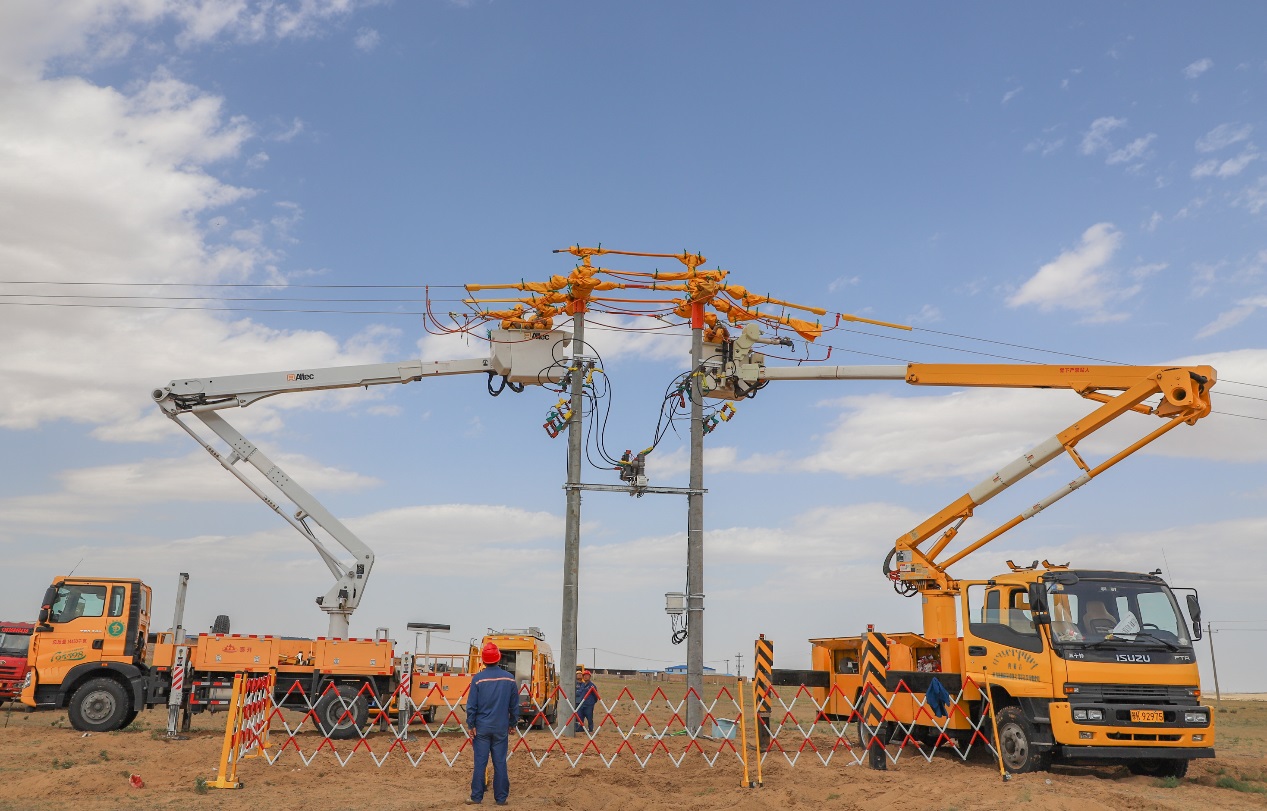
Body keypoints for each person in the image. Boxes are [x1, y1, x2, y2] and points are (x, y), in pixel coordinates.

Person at [465, 642, 519, 806]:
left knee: (480, 763)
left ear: (483, 660)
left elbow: (471, 705)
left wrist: (471, 725)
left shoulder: (478, 679)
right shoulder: (509, 679)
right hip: (501, 727)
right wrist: (512, 723)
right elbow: (514, 706)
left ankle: (476, 797)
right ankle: (501, 798)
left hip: (481, 728)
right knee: (500, 762)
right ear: (498, 658)